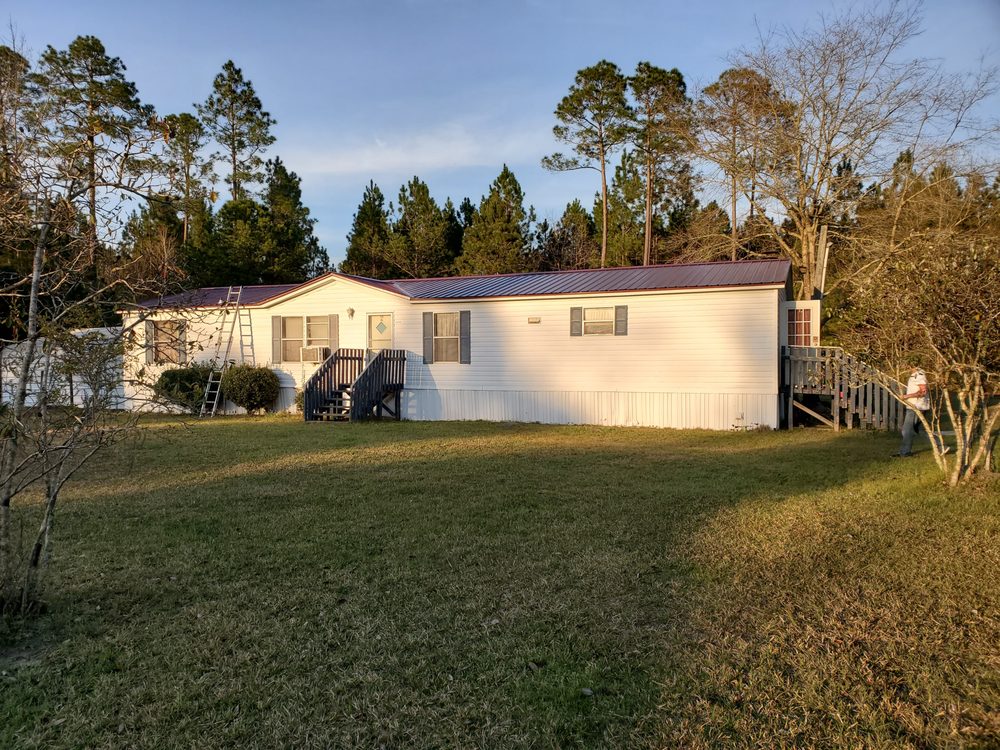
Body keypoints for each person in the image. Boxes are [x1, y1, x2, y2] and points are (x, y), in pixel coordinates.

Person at [895, 358, 948, 457]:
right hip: (915, 406)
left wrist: (907, 396)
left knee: (906, 430)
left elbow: (923, 392)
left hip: (917, 406)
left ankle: (905, 452)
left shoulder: (919, 375)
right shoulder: (914, 375)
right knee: (922, 430)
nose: (905, 366)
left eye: (907, 364)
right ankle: (942, 447)